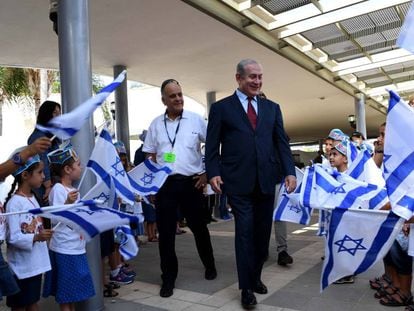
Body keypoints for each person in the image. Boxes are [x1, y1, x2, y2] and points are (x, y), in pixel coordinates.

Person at [205, 59, 296, 309]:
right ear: (238, 78)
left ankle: (255, 276)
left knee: (261, 237)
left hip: (267, 181)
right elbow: (211, 147)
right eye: (252, 77)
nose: (257, 81)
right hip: (238, 182)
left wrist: (290, 171)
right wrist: (213, 172)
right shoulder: (221, 108)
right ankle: (246, 287)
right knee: (244, 234)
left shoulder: (272, 108)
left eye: (260, 77)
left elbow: (281, 143)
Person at [143, 78, 216, 298]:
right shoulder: (156, 124)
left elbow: (212, 146)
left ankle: (210, 265)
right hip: (165, 186)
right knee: (165, 234)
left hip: (191, 183)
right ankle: (168, 278)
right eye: (172, 96)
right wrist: (152, 186)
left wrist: (206, 172)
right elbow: (149, 155)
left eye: (180, 94)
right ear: (164, 100)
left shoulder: (195, 120)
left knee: (200, 228)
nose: (178, 99)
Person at [42, 143, 95, 310]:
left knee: (72, 293)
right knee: (66, 294)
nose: (81, 167)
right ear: (67, 169)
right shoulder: (58, 190)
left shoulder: (71, 189)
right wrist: (67, 203)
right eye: (78, 165)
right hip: (65, 248)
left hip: (75, 246)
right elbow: (56, 218)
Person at [0, 137, 51, 302]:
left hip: (34, 265)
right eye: (40, 172)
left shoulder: (33, 197)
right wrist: (36, 237)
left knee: (32, 302)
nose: (43, 177)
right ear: (25, 175)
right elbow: (13, 237)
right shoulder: (14, 203)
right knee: (20, 304)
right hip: (22, 267)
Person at [27, 100, 61, 206]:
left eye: (59, 113)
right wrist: (48, 186)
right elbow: (43, 162)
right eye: (55, 113)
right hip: (43, 186)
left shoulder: (50, 135)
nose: (58, 117)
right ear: (46, 114)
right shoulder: (39, 137)